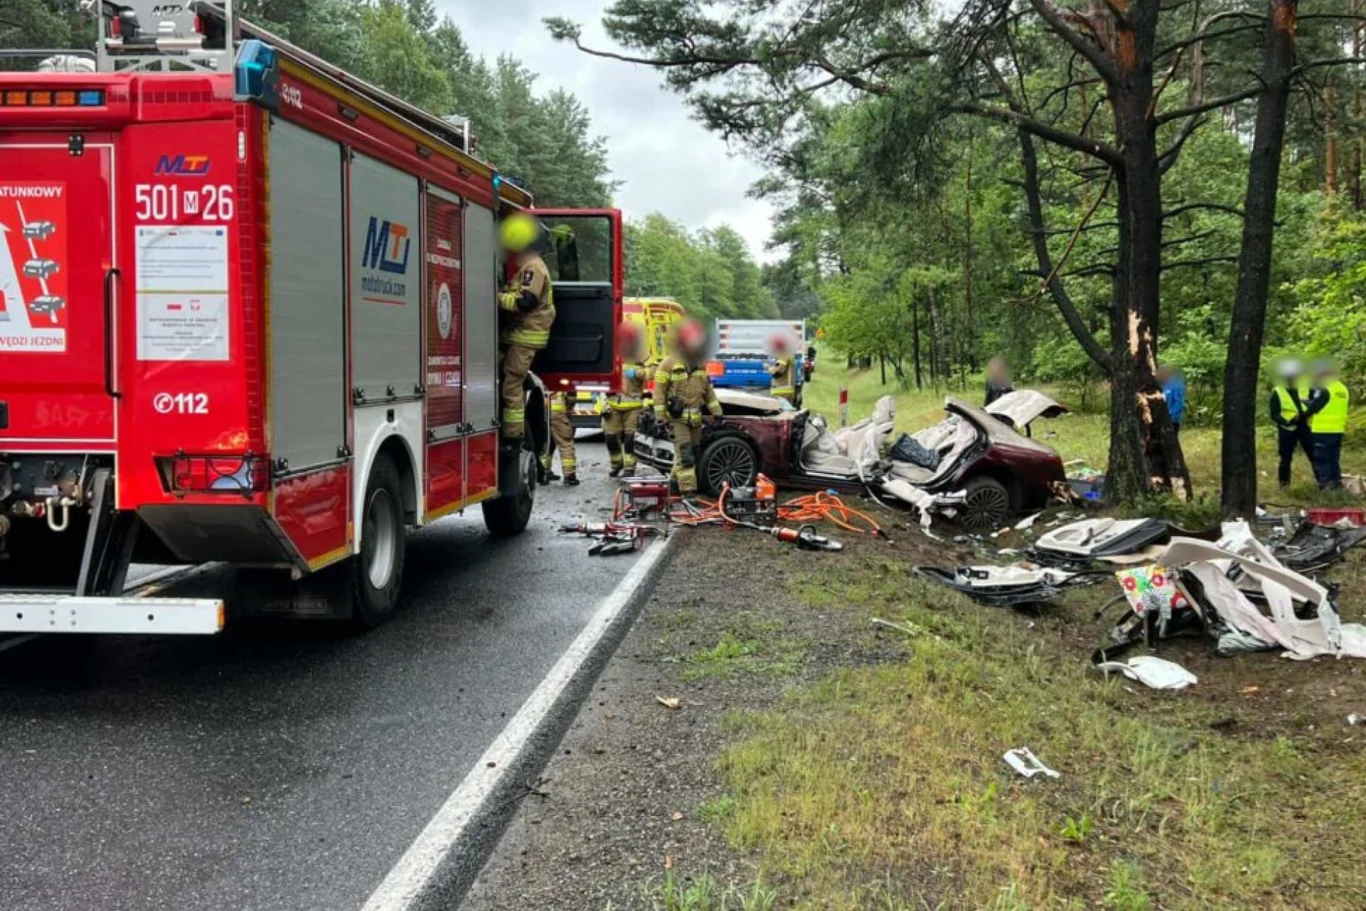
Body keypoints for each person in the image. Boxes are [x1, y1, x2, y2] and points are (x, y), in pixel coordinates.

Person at [497, 212, 554, 450]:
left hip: (524, 336)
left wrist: (497, 298)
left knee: (511, 384)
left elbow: (525, 301)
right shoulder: (532, 266)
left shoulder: (533, 267)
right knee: (510, 377)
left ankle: (512, 435)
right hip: (520, 336)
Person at [654, 319, 723, 497]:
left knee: (690, 453)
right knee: (686, 455)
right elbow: (659, 392)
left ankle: (674, 485)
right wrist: (661, 417)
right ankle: (688, 492)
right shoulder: (668, 364)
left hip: (695, 421)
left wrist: (717, 412)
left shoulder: (700, 365)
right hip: (677, 420)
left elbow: (707, 391)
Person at [604, 323, 648, 478]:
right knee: (610, 437)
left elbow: (653, 371)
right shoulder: (611, 353)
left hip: (633, 405)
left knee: (630, 439)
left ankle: (630, 467)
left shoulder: (641, 353)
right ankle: (616, 464)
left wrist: (638, 372)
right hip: (613, 404)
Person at [1305, 360, 1350, 490]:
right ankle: (1336, 484)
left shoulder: (1324, 388)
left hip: (1322, 429)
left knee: (1322, 459)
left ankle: (1325, 486)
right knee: (1333, 459)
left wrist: (1303, 402)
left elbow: (1315, 407)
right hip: (1338, 429)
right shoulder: (1342, 388)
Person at [1269, 358, 1313, 489]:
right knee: (1285, 459)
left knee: (1314, 455)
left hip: (1305, 425)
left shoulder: (1305, 386)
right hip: (1287, 428)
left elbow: (1314, 403)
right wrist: (1288, 421)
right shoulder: (1277, 391)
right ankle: (1284, 486)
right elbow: (1274, 414)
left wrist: (1307, 414)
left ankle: (1322, 484)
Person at [540, 391, 579, 486]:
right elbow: (571, 396)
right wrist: (569, 410)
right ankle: (569, 476)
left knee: (547, 443)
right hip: (557, 413)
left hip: (542, 410)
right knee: (565, 443)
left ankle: (544, 473)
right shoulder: (564, 381)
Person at [766, 335, 797, 404]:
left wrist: (768, 368)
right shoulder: (787, 355)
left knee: (781, 412)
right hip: (785, 390)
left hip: (782, 391)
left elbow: (779, 372)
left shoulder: (783, 355)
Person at [1158, 365, 1186, 434]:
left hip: (1172, 420)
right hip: (1164, 419)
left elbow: (1179, 403)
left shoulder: (1176, 385)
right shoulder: (1164, 385)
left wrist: (1171, 416)